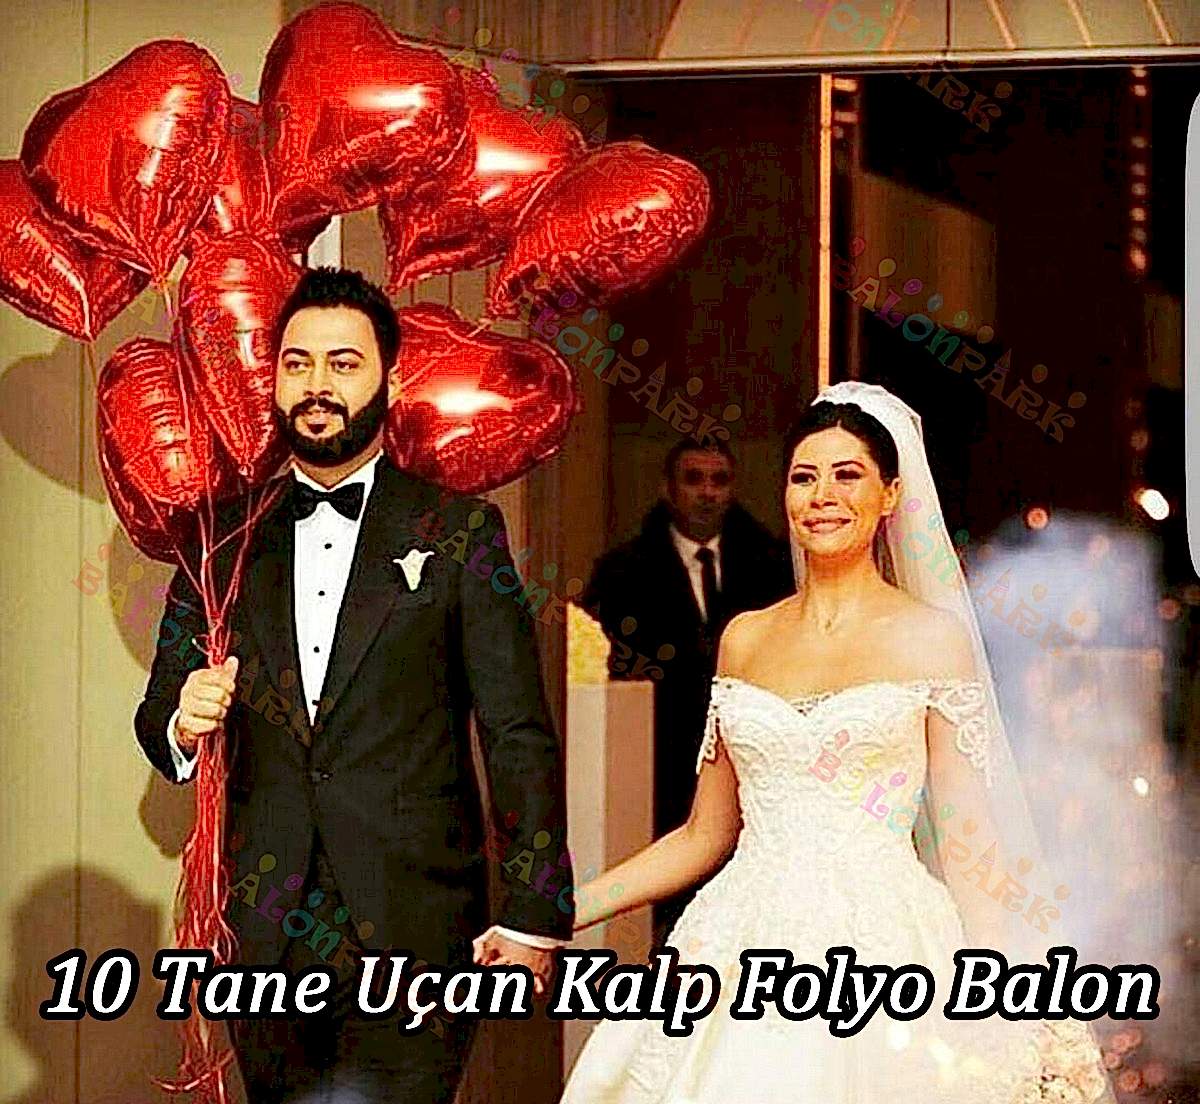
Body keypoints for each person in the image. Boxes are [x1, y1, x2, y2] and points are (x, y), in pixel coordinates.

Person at [559, 383, 1112, 1104]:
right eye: (803, 477)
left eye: (847, 475)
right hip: (734, 943)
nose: (822, 496)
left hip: (884, 947)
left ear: (890, 495)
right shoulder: (745, 638)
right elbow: (704, 834)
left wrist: (1009, 995)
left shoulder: (931, 638)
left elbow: (968, 846)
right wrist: (563, 910)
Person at [134, 268, 572, 1104]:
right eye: (297, 364)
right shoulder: (221, 537)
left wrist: (533, 913)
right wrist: (183, 722)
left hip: (418, 927)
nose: (317, 387)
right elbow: (158, 715)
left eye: (343, 364)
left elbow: (517, 732)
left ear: (390, 380)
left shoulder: (460, 530)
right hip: (265, 929)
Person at [581, 439, 791, 942]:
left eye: (719, 480)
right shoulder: (623, 571)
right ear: (668, 488)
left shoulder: (771, 564)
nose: (707, 493)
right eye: (694, 479)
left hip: (751, 765)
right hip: (653, 761)